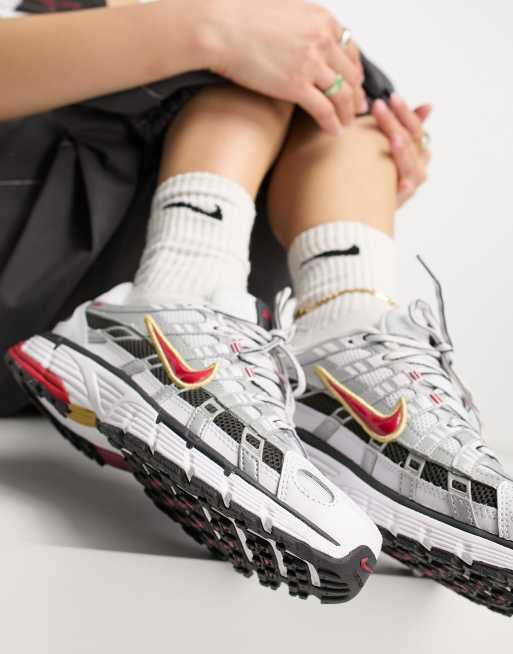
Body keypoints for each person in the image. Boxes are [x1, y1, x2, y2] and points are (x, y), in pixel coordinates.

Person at [4, 0, 511, 615]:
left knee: (328, 73)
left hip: (111, 272)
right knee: (279, 48)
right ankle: (174, 302)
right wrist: (215, 32)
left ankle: (345, 346)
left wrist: (353, 183)